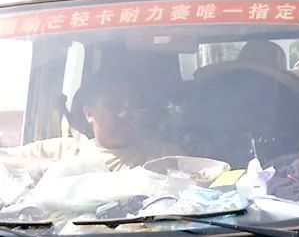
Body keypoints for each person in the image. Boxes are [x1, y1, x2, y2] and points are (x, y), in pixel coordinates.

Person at [0, 73, 177, 174]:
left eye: (131, 106)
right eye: (114, 106)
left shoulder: (162, 154)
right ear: (89, 113)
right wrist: (38, 165)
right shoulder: (65, 150)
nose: (125, 114)